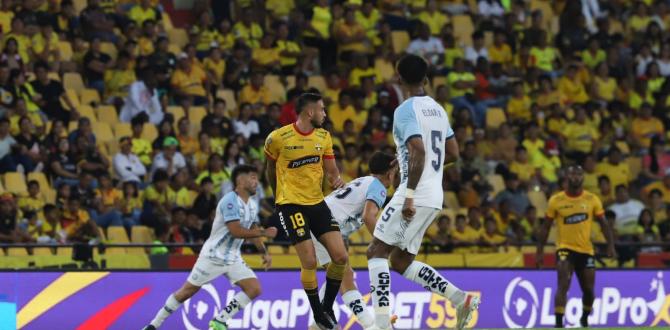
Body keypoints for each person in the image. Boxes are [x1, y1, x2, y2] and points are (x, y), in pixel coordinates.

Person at [366, 54, 478, 330]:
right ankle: (459, 298)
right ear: (426, 79)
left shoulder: (405, 109)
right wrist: (425, 169)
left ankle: (381, 325)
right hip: (435, 195)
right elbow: (453, 152)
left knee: (376, 252)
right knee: (402, 261)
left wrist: (412, 191)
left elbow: (417, 148)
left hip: (415, 193)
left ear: (399, 78)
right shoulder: (438, 109)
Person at [143, 165, 277, 330]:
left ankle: (220, 320)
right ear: (240, 180)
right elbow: (236, 231)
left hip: (233, 257)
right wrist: (266, 232)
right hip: (213, 256)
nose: (257, 182)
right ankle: (153, 325)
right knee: (186, 292)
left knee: (254, 288)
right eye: (253, 178)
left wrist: (264, 252)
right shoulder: (229, 201)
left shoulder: (252, 205)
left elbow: (252, 228)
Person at [264, 92, 347, 329]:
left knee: (340, 257)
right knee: (309, 261)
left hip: (317, 203)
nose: (324, 113)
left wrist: (336, 179)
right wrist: (277, 195)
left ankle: (327, 306)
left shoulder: (324, 136)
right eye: (322, 109)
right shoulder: (278, 138)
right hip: (291, 204)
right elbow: (269, 168)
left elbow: (331, 170)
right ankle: (318, 313)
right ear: (309, 112)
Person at [308, 152, 397, 330]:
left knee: (337, 275)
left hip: (319, 220)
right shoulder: (379, 187)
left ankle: (319, 323)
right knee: (345, 276)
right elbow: (368, 216)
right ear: (389, 172)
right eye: (396, 170)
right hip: (326, 224)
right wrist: (383, 244)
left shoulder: (364, 181)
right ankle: (371, 325)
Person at [536, 165, 616, 328]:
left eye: (579, 174)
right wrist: (540, 251)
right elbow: (545, 227)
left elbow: (604, 224)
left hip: (586, 250)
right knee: (563, 284)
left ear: (583, 177)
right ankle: (558, 324)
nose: (575, 177)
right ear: (567, 176)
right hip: (564, 248)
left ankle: (584, 317)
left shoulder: (592, 199)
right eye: (572, 174)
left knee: (588, 290)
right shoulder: (556, 200)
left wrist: (610, 245)